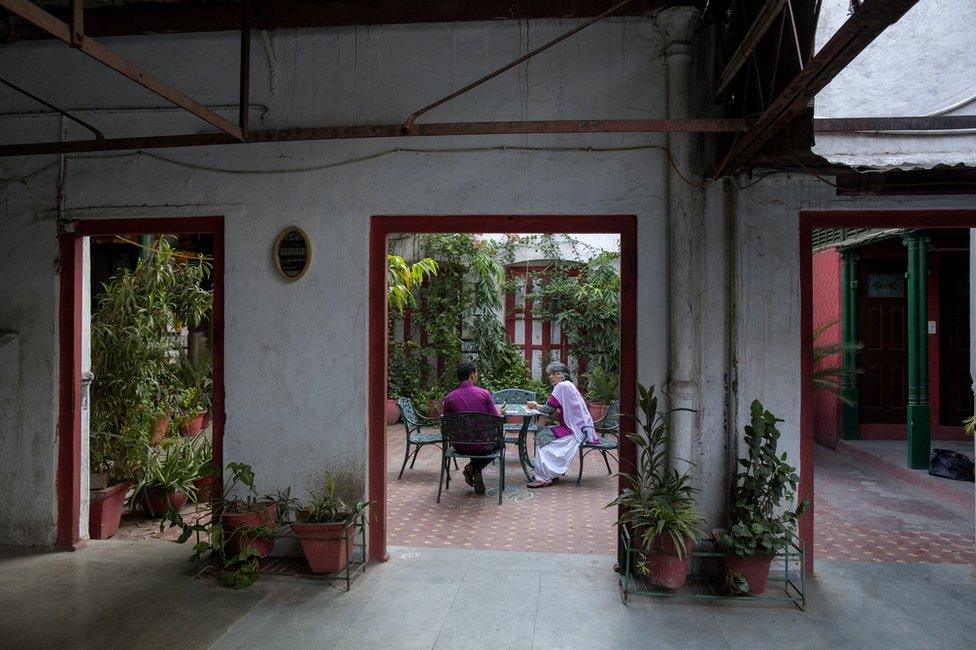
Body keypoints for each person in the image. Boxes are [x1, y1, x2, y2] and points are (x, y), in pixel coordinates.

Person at [525, 362, 598, 488]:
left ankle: (543, 478)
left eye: (555, 374)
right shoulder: (570, 386)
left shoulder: (561, 387)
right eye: (550, 374)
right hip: (582, 429)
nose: (551, 377)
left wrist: (535, 406)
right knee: (544, 434)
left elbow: (547, 409)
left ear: (563, 376)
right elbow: (556, 408)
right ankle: (550, 473)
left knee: (541, 437)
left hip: (572, 431)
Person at [441, 362, 502, 495]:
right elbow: (496, 421)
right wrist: (500, 414)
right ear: (471, 375)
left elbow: (446, 424)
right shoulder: (484, 394)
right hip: (483, 445)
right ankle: (474, 468)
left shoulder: (449, 398)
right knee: (500, 444)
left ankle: (474, 468)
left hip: (460, 445)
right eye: (476, 373)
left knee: (474, 441)